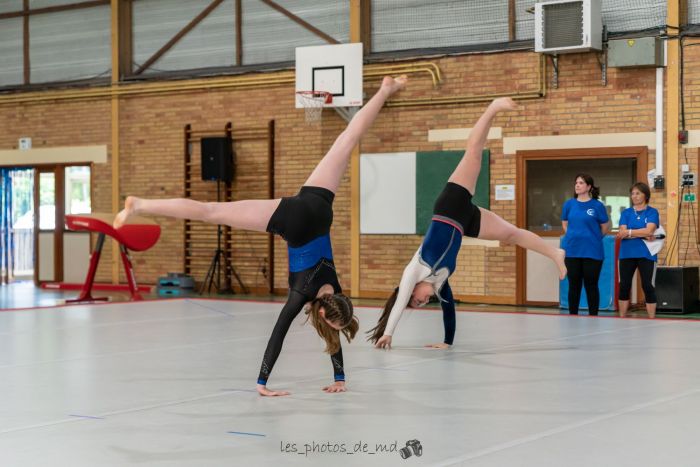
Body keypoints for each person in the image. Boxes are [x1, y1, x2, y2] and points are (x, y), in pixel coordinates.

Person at [114, 75, 408, 395]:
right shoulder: (302, 295)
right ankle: (141, 205)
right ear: (323, 310)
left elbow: (336, 331)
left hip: (319, 208)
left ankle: (386, 89)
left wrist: (341, 378)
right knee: (211, 212)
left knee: (348, 139)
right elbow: (278, 335)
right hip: (294, 222)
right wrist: (262, 384)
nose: (329, 327)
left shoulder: (336, 292)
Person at [367, 97, 567, 349]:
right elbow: (448, 309)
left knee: (473, 152)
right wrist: (447, 343)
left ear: (412, 289)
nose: (422, 302)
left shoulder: (414, 271)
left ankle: (492, 107)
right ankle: (555, 253)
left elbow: (398, 302)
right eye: (419, 305)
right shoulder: (440, 282)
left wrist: (389, 333)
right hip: (465, 223)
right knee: (512, 235)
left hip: (449, 207)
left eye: (416, 301)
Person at [561, 174, 610, 316]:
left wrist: (593, 238)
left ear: (589, 187)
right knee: (574, 285)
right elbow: (565, 223)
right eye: (576, 182)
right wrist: (572, 236)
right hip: (572, 251)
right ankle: (573, 316)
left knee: (591, 285)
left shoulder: (597, 206)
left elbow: (605, 227)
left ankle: (593, 316)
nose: (577, 185)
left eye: (581, 183)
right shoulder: (569, 204)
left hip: (592, 251)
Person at [616, 182, 659, 318]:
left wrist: (629, 232)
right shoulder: (626, 213)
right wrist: (640, 233)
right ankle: (622, 317)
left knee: (647, 285)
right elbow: (622, 232)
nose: (634, 196)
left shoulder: (652, 212)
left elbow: (649, 230)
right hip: (626, 254)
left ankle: (651, 318)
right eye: (632, 193)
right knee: (624, 285)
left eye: (638, 193)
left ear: (645, 195)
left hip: (646, 254)